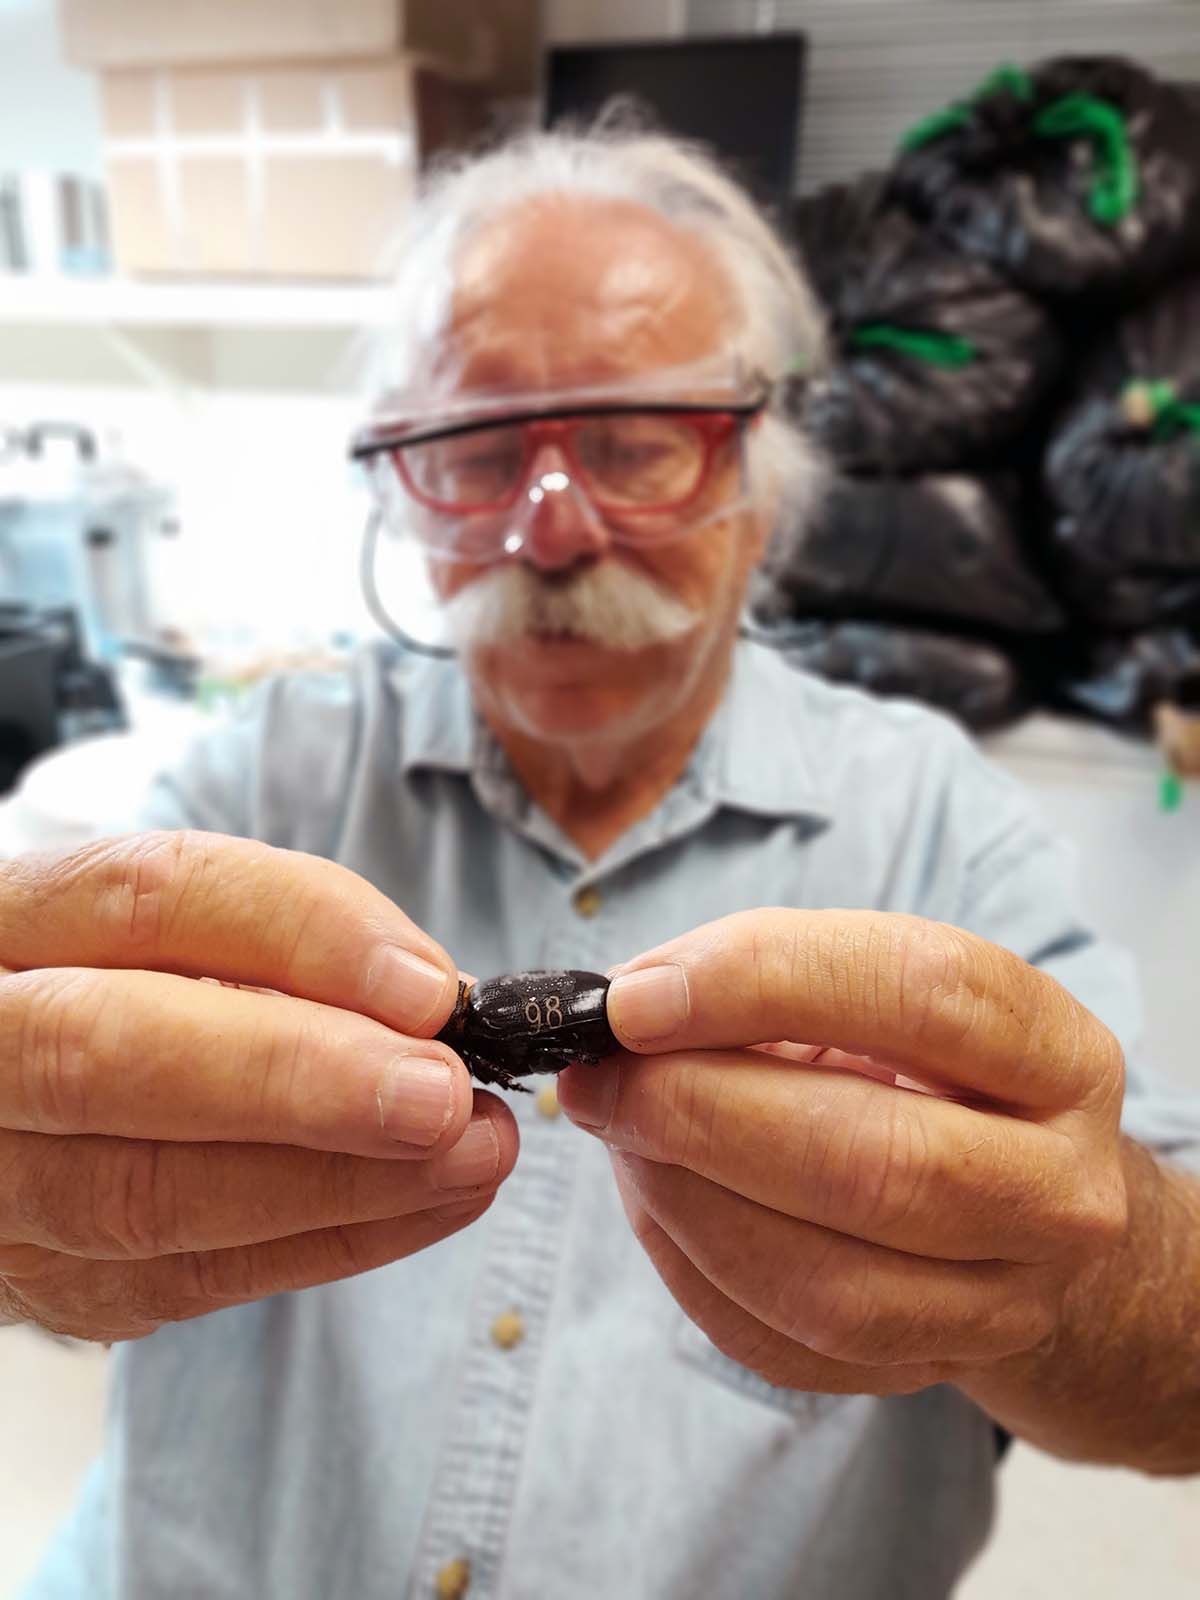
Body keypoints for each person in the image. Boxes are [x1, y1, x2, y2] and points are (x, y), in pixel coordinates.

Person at [10, 126, 1200, 1600]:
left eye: (634, 441)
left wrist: (1078, 1268)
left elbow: (1179, 1376)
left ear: (765, 469)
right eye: (481, 449)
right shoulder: (255, 783)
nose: (550, 528)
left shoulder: (940, 828)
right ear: (400, 484)